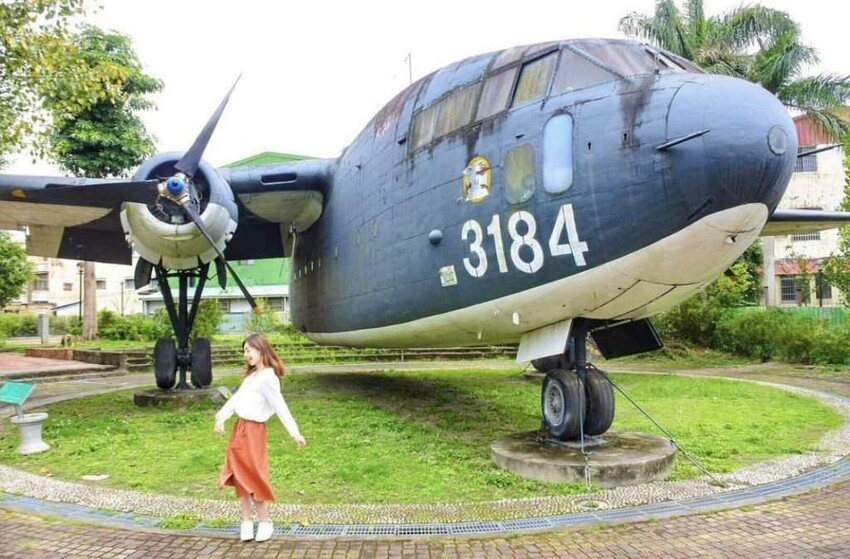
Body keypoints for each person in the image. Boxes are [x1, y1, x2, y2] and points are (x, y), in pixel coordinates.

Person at [215, 333, 307, 542]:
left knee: (255, 476)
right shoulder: (251, 376)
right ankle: (246, 521)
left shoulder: (268, 377)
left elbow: (280, 407)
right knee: (239, 477)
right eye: (244, 351)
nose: (246, 354)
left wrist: (295, 433)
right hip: (239, 430)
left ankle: (265, 522)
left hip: (255, 432)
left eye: (249, 350)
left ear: (260, 349)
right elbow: (236, 399)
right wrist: (220, 418)